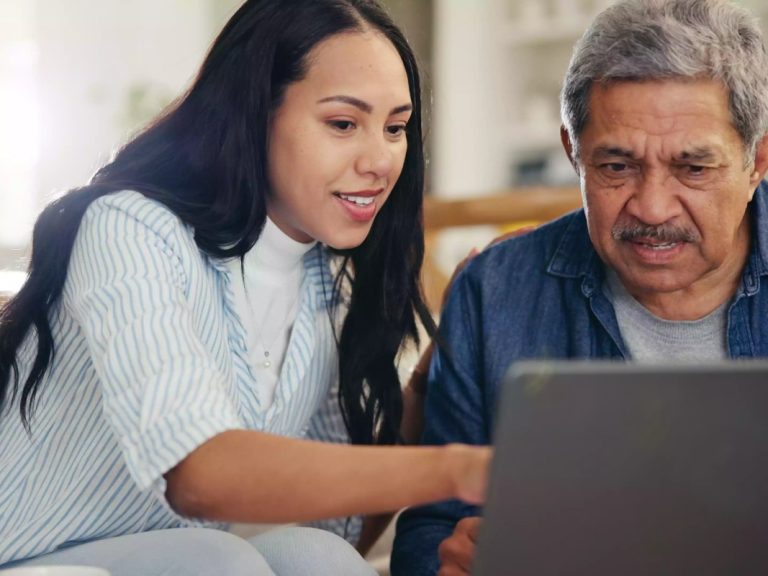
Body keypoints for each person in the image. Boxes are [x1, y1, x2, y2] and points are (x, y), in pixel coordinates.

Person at [0, 1, 492, 574]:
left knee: (318, 555)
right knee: (220, 560)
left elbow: (336, 525)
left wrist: (437, 366)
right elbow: (200, 475)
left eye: (396, 128)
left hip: (151, 557)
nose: (382, 160)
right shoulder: (129, 228)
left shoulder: (325, 284)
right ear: (255, 113)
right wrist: (462, 469)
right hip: (21, 553)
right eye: (342, 123)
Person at [391, 0, 768, 574]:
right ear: (573, 153)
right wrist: (453, 560)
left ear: (757, 161)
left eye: (693, 168)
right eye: (616, 167)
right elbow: (431, 531)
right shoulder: (492, 293)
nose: (652, 207)